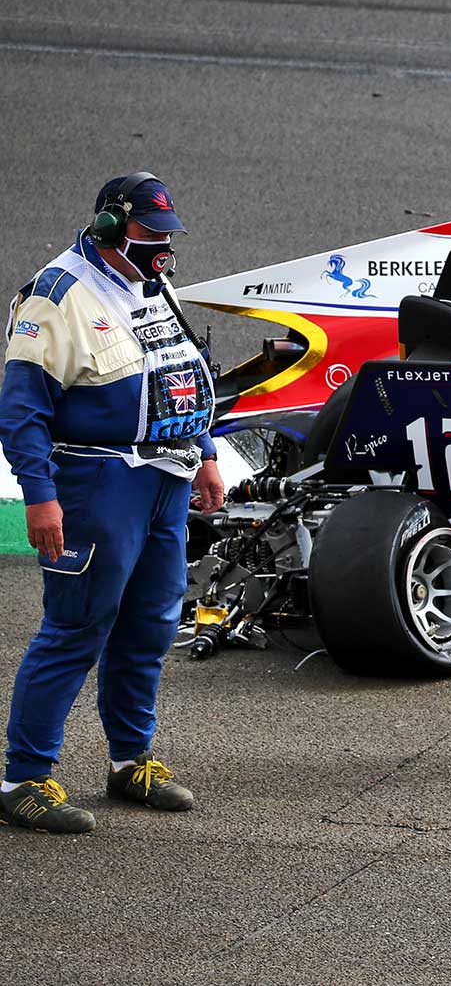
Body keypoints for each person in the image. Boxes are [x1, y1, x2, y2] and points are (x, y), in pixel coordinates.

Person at [0, 174, 225, 833]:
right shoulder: (56, 294)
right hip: (97, 484)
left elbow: (181, 374)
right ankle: (23, 775)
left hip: (165, 479)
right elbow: (21, 410)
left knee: (150, 625)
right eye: (151, 234)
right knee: (78, 627)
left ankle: (131, 760)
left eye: (168, 235)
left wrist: (205, 450)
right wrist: (40, 497)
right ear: (108, 227)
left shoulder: (153, 285)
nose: (164, 247)